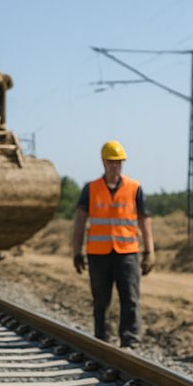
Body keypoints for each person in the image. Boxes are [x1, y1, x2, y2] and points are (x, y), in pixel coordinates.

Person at [72, 140, 156, 348]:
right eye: (111, 162)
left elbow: (144, 220)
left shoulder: (134, 188)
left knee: (130, 297)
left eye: (118, 162)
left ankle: (130, 340)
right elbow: (79, 221)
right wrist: (76, 251)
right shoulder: (90, 189)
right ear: (103, 162)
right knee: (101, 300)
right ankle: (102, 339)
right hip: (98, 254)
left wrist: (150, 251)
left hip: (127, 253)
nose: (115, 166)